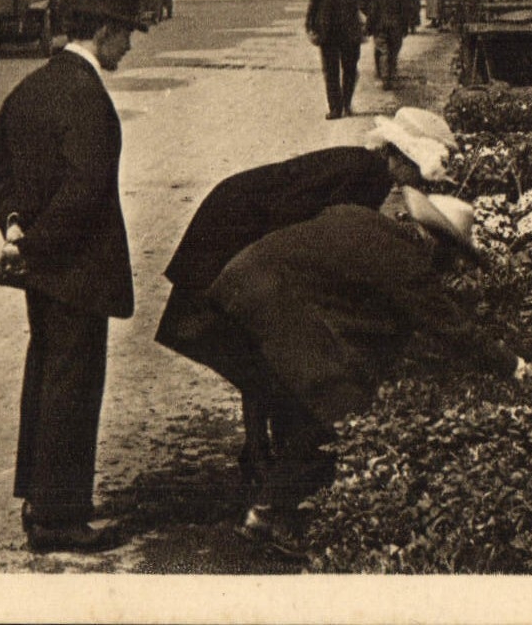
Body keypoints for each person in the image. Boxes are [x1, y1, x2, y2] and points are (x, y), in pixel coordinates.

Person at [190, 187, 532, 558]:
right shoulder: (406, 260)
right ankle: (268, 514)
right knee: (338, 408)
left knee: (300, 393)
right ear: (436, 243)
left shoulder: (361, 216)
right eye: (452, 255)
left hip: (235, 281)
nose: (450, 267)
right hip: (267, 301)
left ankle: (273, 495)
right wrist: (514, 366)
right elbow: (450, 327)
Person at [155, 108, 453, 486]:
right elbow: (325, 240)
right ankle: (265, 464)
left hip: (233, 228)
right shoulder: (367, 176)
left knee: (256, 350)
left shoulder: (362, 164)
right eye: (420, 175)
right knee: (258, 349)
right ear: (405, 157)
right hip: (230, 238)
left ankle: (260, 453)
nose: (417, 187)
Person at [0, 0, 145, 554]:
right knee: (74, 388)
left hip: (41, 268)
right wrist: (38, 246)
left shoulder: (30, 88)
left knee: (46, 376)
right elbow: (86, 190)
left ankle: (39, 497)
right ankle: (60, 518)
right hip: (76, 267)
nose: (128, 46)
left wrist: (15, 229)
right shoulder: (87, 95)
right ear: (101, 31)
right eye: (126, 33)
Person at [305, 0, 367, 119]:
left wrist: (367, 23)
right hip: (328, 33)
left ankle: (346, 103)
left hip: (350, 33)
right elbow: (314, 4)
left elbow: (367, 1)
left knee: (350, 70)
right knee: (330, 71)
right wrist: (310, 26)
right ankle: (335, 108)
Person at [366, 0, 408, 89]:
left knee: (383, 52)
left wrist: (369, 27)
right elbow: (403, 12)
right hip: (396, 27)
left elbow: (372, 12)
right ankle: (392, 76)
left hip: (380, 26)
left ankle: (385, 78)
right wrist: (405, 27)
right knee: (393, 52)